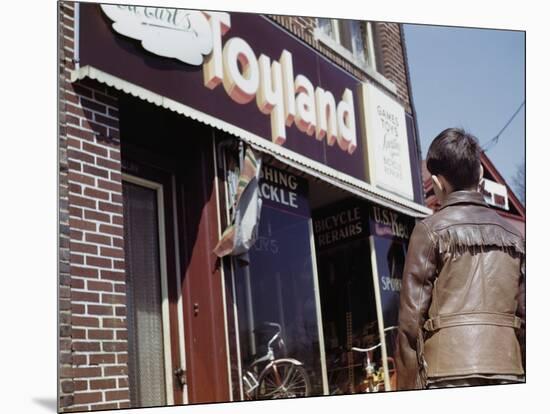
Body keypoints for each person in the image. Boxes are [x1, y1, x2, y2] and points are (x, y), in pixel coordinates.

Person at [395, 128, 525, 390]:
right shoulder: (515, 236)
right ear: (479, 176)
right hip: (510, 372)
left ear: (438, 183)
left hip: (447, 376)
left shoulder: (429, 231)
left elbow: (410, 326)